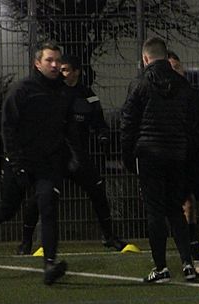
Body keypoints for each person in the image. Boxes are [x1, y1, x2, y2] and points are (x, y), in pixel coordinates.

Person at [0, 40, 71, 285]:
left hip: (48, 165)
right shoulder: (22, 90)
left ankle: (50, 263)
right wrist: (17, 164)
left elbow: (67, 128)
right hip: (21, 162)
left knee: (48, 207)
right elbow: (8, 129)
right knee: (9, 208)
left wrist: (69, 157)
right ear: (37, 63)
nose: (55, 65)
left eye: (58, 60)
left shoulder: (63, 92)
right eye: (49, 60)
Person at [15, 55, 128, 255]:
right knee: (38, 197)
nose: (61, 73)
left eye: (66, 69)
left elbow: (99, 122)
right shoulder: (51, 93)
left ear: (77, 72)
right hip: (54, 157)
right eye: (60, 69)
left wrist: (103, 135)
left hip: (78, 157)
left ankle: (109, 236)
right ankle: (26, 242)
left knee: (98, 191)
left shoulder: (88, 95)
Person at [121, 37, 199, 283]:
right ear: (166, 57)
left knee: (155, 212)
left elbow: (128, 124)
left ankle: (160, 267)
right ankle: (188, 264)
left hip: (149, 155)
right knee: (175, 209)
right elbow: (192, 123)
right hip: (176, 154)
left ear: (145, 58)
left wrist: (128, 157)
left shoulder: (139, 84)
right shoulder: (182, 85)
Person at [167, 51, 199, 276]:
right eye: (170, 68)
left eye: (177, 67)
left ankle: (192, 254)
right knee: (180, 205)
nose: (175, 72)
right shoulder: (161, 98)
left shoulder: (196, 97)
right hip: (169, 159)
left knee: (192, 204)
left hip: (192, 157)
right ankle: (189, 257)